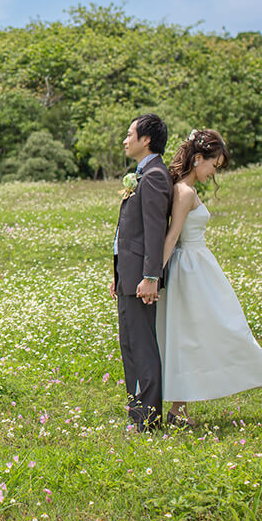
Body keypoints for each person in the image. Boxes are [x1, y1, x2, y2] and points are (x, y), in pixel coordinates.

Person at [157, 129, 262, 426]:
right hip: (191, 272)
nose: (213, 173)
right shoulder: (185, 192)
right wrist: (153, 277)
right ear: (198, 159)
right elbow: (173, 236)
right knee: (222, 330)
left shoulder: (186, 189)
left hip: (199, 269)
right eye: (213, 166)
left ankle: (179, 411)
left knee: (199, 335)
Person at [109, 113, 172, 432]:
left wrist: (151, 277)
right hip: (128, 276)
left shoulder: (156, 175)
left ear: (146, 139)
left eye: (129, 133)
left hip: (142, 278)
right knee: (130, 345)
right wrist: (119, 274)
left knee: (143, 346)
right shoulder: (141, 174)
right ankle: (137, 414)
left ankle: (149, 418)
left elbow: (154, 230)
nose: (125, 139)